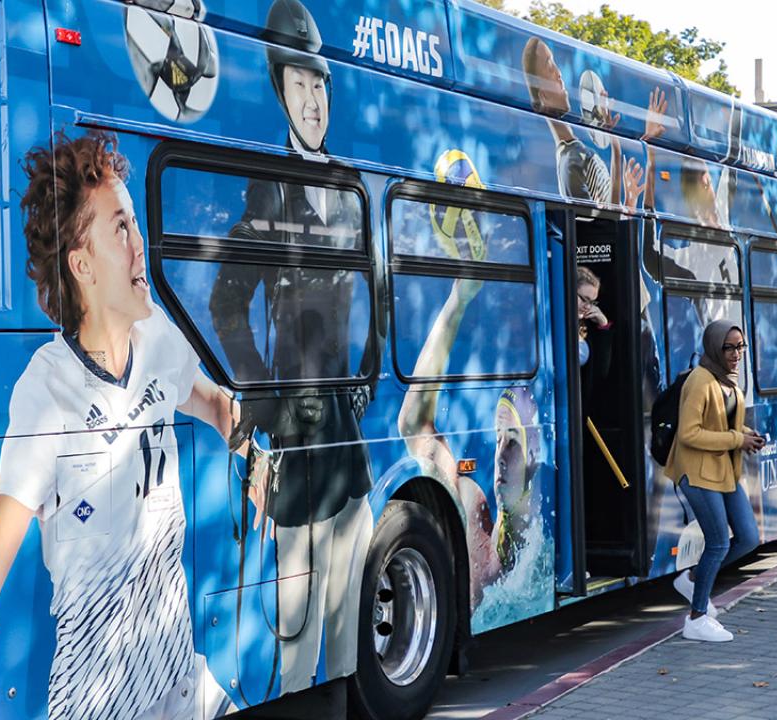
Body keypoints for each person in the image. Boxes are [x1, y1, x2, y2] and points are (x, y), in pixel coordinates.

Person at [0, 131, 239, 718]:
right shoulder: (47, 393)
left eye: (135, 224)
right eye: (120, 229)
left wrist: (255, 452)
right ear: (82, 265)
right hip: (98, 704)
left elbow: (218, 406)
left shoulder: (157, 339)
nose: (140, 245)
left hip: (184, 688)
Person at [209, 0, 380, 692]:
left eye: (319, 85)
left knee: (346, 622)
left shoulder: (352, 188)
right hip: (299, 444)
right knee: (299, 634)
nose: (313, 102)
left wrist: (368, 371)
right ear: (280, 93)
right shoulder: (269, 189)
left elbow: (381, 291)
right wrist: (265, 400)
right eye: (298, 86)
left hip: (346, 441)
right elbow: (225, 304)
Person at [398, 276, 543, 608]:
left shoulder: (539, 538)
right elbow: (412, 422)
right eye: (497, 439)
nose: (500, 456)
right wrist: (457, 302)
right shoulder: (471, 513)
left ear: (533, 455)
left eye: (513, 441)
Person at [666, 321, 765, 642]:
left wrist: (748, 435)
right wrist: (737, 439)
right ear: (713, 347)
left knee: (748, 538)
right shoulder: (700, 380)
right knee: (719, 542)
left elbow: (723, 423)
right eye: (729, 347)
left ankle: (693, 578)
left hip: (723, 471)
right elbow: (689, 433)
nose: (736, 354)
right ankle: (696, 618)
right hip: (697, 472)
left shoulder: (728, 380)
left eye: (740, 347)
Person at [521, 37, 645, 209]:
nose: (559, 73)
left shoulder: (573, 151)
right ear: (544, 96)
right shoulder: (571, 162)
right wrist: (615, 146)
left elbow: (609, 211)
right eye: (550, 66)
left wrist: (629, 203)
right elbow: (607, 218)